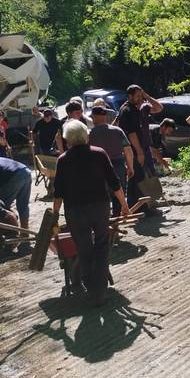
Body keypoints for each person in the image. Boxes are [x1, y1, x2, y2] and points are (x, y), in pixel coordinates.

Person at [52, 120, 130, 306]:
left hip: (76, 211)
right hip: (99, 207)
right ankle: (100, 290)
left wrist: (54, 215)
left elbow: (59, 191)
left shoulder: (63, 160)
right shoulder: (99, 154)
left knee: (84, 250)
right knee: (102, 247)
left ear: (67, 139)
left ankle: (91, 289)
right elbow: (114, 181)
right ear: (86, 135)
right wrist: (124, 204)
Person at [117, 84, 163, 214]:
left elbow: (159, 108)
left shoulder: (140, 108)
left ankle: (135, 208)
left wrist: (146, 95)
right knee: (140, 179)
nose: (139, 98)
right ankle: (143, 208)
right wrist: (139, 152)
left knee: (135, 179)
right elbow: (131, 134)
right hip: (134, 150)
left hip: (140, 149)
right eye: (137, 96)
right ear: (130, 96)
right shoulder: (127, 110)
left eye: (140, 95)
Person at [89, 106, 135, 217]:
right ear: (105, 116)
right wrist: (130, 167)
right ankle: (117, 218)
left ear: (94, 117)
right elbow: (128, 150)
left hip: (99, 167)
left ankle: (104, 220)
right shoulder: (117, 131)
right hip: (118, 165)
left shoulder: (91, 134)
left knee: (102, 195)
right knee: (118, 193)